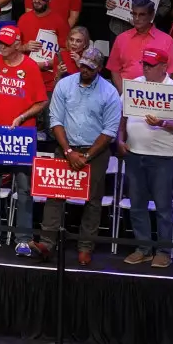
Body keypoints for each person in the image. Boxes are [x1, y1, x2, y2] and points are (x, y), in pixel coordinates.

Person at [31, 48, 120, 265]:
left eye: (90, 67)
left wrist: (87, 156)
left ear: (99, 68)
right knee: (54, 195)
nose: (85, 70)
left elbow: (109, 131)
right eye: (83, 65)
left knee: (93, 199)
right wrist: (69, 152)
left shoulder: (109, 92)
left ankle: (85, 246)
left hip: (96, 151)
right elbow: (56, 120)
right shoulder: (65, 84)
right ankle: (47, 244)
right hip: (66, 147)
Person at [0, 25, 49, 255]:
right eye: (0, 43)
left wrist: (23, 116)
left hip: (22, 136)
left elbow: (42, 101)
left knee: (25, 190)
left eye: (7, 43)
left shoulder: (30, 67)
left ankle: (24, 239)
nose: (2, 46)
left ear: (17, 44)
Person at [118, 48, 173, 269]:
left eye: (151, 65)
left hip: (163, 158)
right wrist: (120, 139)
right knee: (137, 205)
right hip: (134, 154)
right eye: (144, 64)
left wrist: (162, 123)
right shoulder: (135, 85)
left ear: (164, 67)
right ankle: (143, 248)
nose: (146, 68)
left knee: (163, 207)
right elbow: (122, 116)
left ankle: (163, 251)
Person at [106, 0, 173, 92]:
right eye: (134, 14)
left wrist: (158, 94)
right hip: (128, 95)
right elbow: (114, 70)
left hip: (156, 96)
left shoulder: (166, 40)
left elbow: (170, 71)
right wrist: (125, 94)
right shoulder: (121, 39)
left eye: (142, 14)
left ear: (152, 15)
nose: (137, 18)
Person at [17, 0, 72, 94]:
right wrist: (25, 47)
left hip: (49, 83)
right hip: (24, 79)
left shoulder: (60, 22)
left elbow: (65, 53)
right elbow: (13, 48)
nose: (36, 1)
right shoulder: (23, 19)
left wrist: (45, 64)